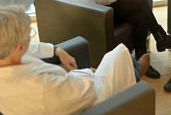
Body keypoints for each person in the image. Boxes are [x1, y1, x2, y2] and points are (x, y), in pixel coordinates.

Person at [0, 6, 150, 115]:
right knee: (118, 55)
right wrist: (74, 73)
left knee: (121, 61)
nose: (30, 37)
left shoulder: (7, 56)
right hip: (90, 103)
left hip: (66, 91)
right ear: (19, 47)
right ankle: (135, 74)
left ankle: (133, 70)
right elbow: (90, 93)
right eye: (29, 33)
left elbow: (32, 48)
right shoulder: (40, 88)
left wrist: (57, 50)